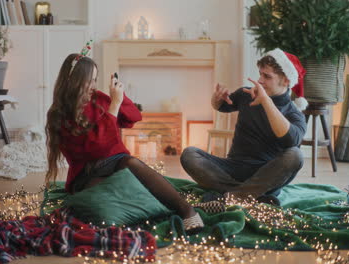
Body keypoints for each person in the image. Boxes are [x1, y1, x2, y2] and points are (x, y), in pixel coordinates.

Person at [44, 47, 204, 233]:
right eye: (90, 80)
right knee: (112, 201)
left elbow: (133, 117)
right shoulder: (58, 114)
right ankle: (176, 208)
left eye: (95, 80)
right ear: (74, 80)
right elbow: (96, 147)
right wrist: (114, 106)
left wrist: (119, 97)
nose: (93, 85)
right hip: (85, 174)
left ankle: (188, 211)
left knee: (131, 163)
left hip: (115, 162)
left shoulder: (97, 99)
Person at [180, 48, 307, 205]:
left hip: (267, 176)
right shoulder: (246, 94)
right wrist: (217, 99)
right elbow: (221, 106)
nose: (260, 80)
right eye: (260, 73)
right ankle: (252, 196)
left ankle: (230, 198)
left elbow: (290, 140)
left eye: (267, 76)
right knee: (189, 154)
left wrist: (266, 101)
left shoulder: (295, 114)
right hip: (233, 169)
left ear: (286, 80)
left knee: (296, 155)